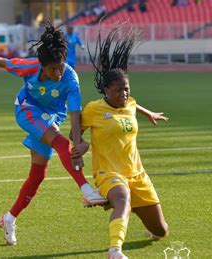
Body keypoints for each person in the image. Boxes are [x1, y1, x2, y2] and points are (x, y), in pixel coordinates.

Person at [0, 21, 107, 246]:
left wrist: (79, 142)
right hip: (27, 110)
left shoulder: (71, 80)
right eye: (53, 69)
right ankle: (87, 190)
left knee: (38, 175)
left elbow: (74, 114)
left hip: (51, 117)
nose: (58, 72)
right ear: (42, 66)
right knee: (61, 144)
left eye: (60, 66)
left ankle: (9, 218)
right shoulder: (30, 67)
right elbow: (5, 63)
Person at [75, 24, 169, 258]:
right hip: (108, 172)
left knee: (161, 231)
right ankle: (114, 250)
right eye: (118, 90)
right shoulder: (94, 109)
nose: (124, 94)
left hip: (137, 174)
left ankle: (129, 208)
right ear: (106, 90)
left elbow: (132, 105)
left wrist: (148, 113)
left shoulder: (128, 103)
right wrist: (81, 144)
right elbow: (76, 129)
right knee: (122, 197)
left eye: (126, 89)